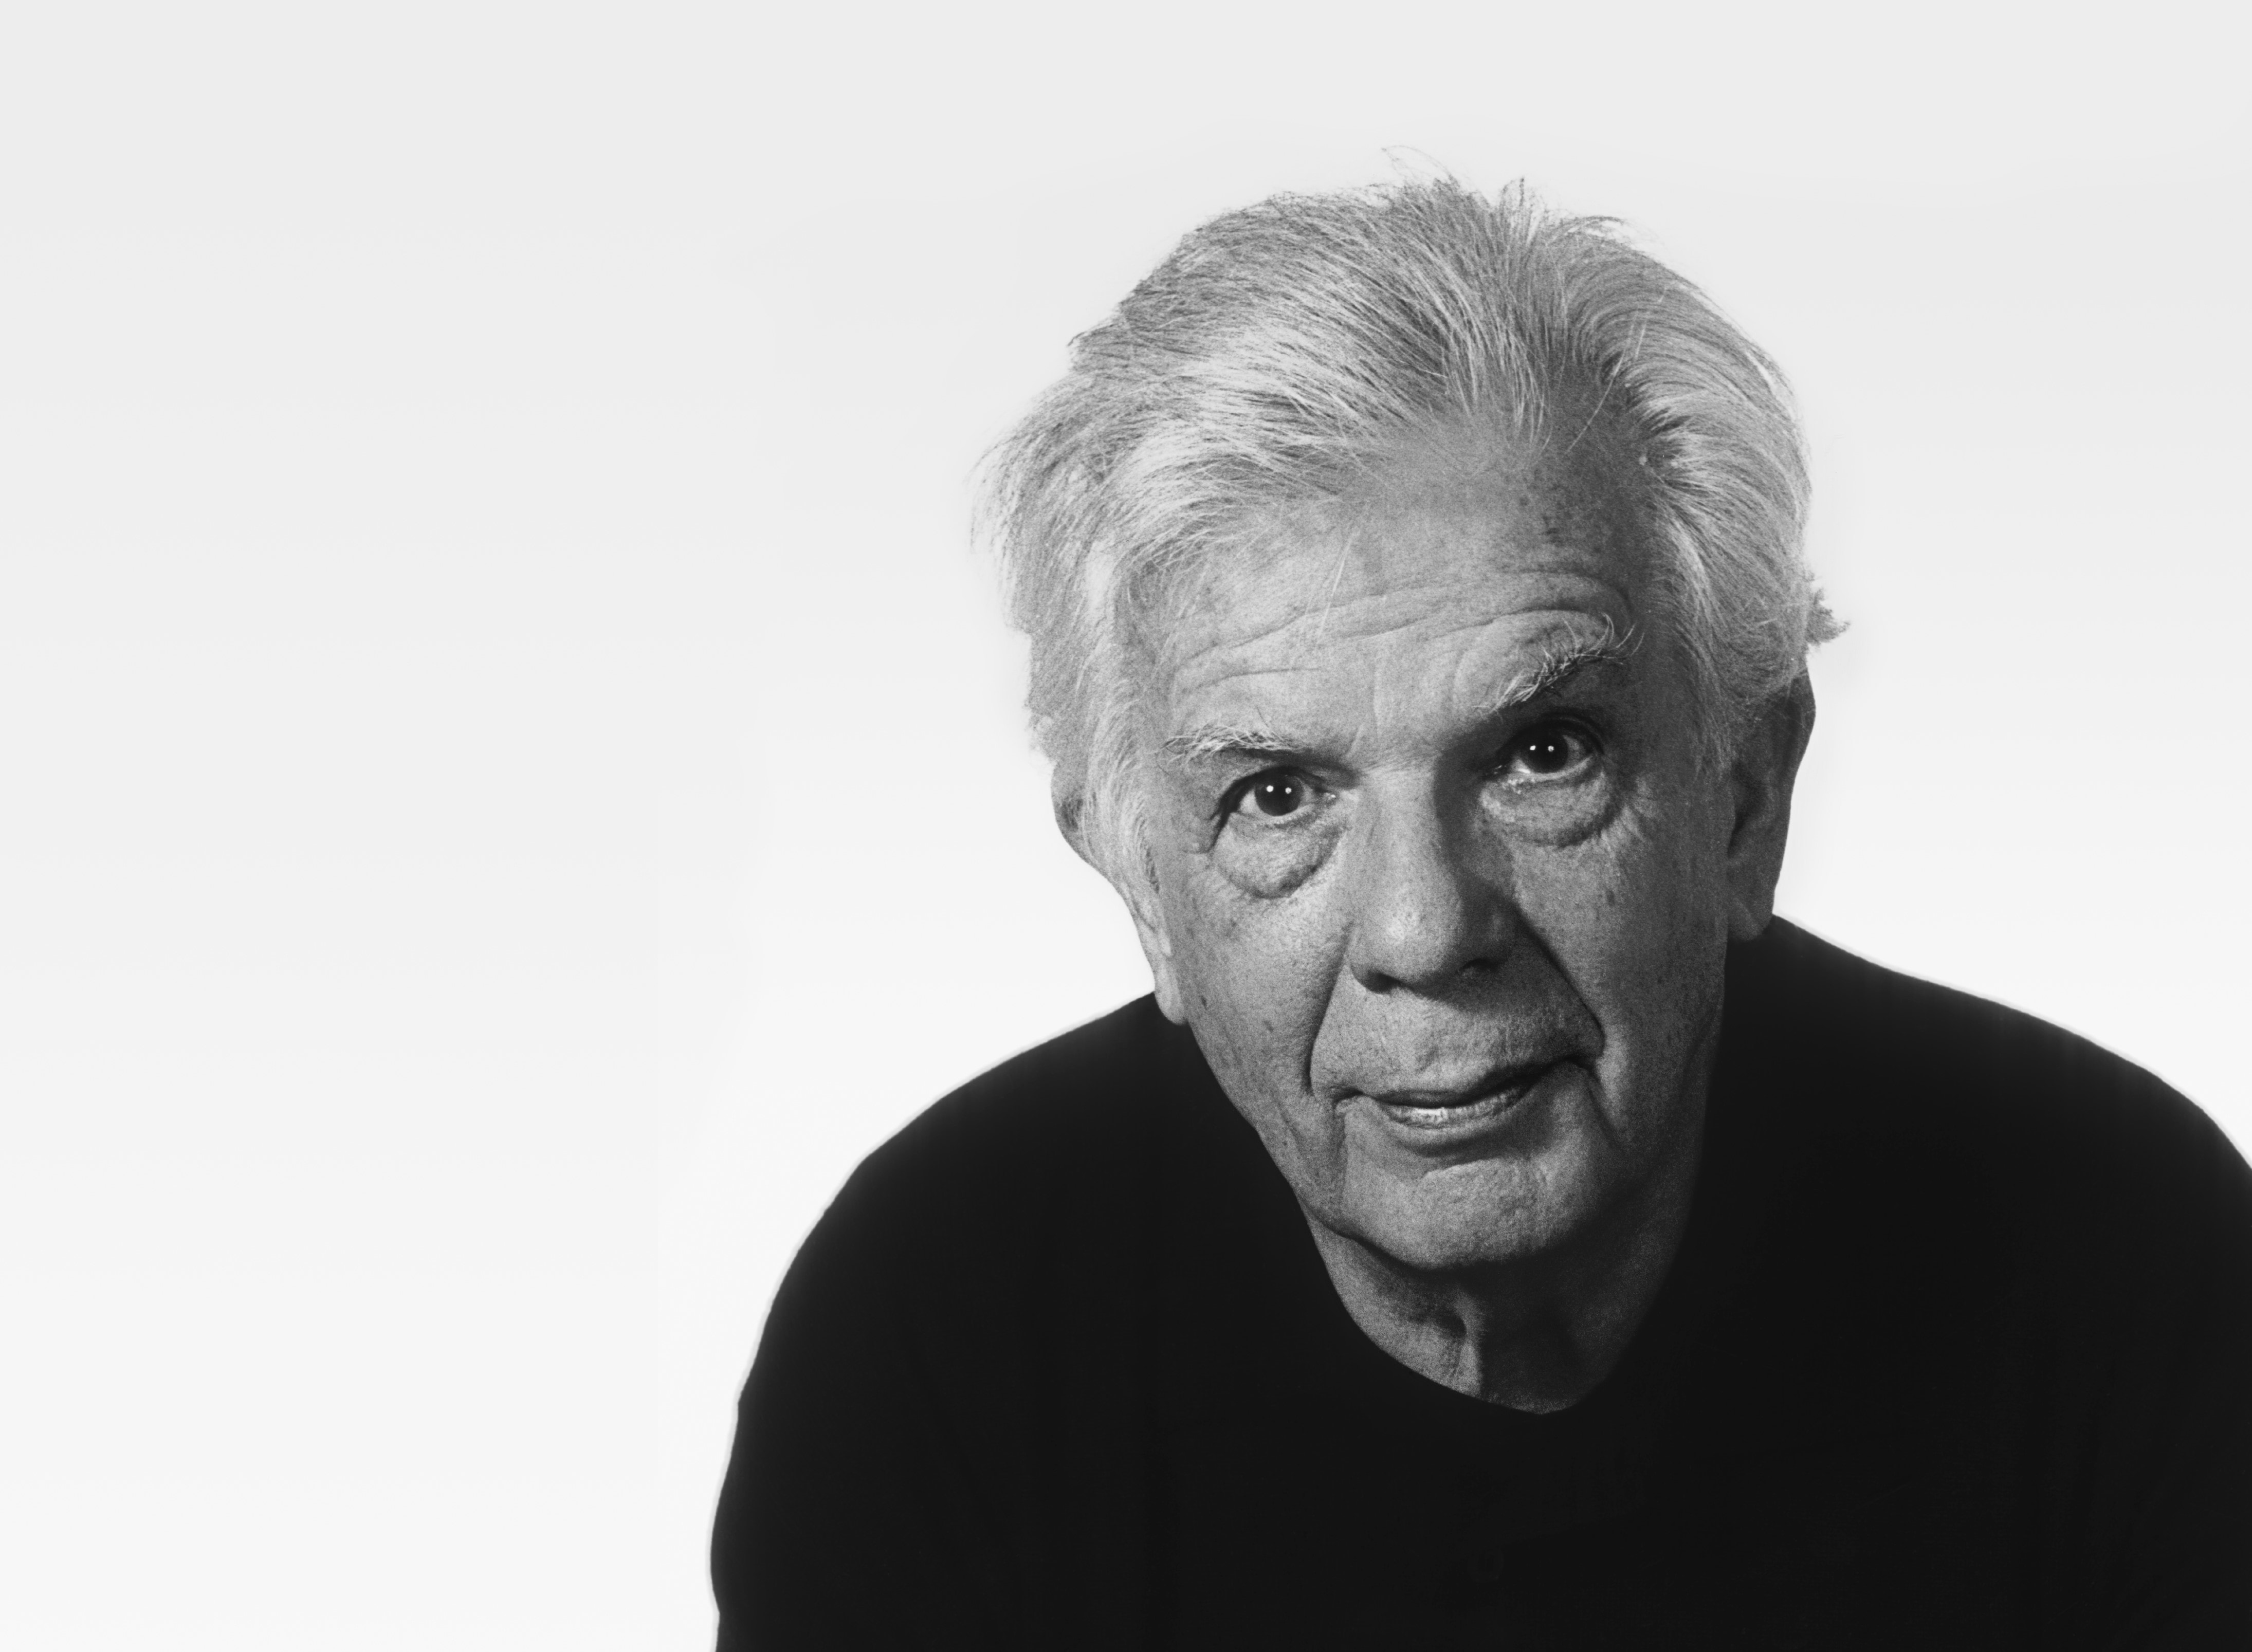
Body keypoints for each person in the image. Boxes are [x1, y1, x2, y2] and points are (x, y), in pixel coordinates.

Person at [712, 178, 2252, 1646]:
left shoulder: (2131, 1269)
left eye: (1541, 751)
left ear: (1742, 795)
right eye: (1280, 796)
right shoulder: (932, 1336)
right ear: (1143, 891)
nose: (1422, 930)